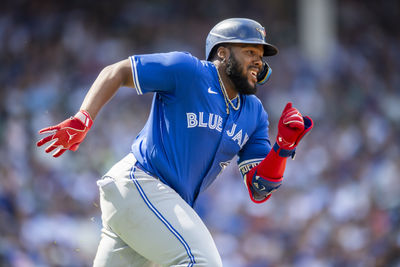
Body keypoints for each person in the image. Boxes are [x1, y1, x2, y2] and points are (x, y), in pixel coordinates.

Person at [37, 18, 313, 267]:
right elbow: (118, 72)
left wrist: (283, 147)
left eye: (261, 56)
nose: (259, 61)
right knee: (202, 262)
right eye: (250, 52)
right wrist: (83, 117)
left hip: (153, 208)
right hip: (139, 183)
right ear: (222, 52)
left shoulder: (255, 114)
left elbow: (259, 188)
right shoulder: (189, 71)